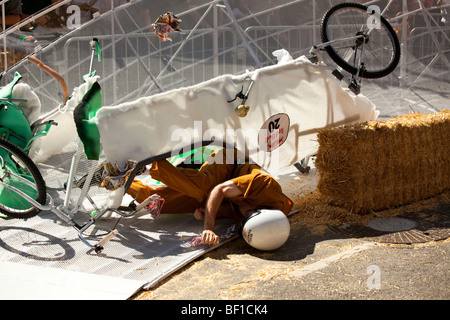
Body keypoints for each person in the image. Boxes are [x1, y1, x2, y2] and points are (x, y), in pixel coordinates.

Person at [126, 147, 293, 246]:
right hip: (230, 162)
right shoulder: (265, 186)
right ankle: (147, 164)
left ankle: (120, 179)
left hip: (227, 191)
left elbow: (225, 212)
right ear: (260, 210)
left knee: (161, 204)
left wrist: (204, 214)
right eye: (246, 215)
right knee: (202, 188)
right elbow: (218, 191)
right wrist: (208, 227)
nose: (241, 216)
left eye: (242, 221)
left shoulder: (256, 221)